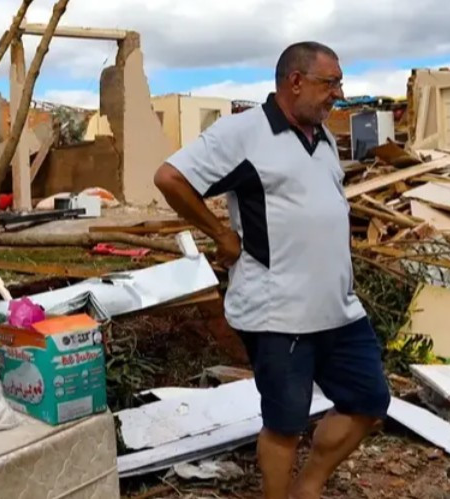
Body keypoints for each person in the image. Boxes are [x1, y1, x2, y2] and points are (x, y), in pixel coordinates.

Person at [152, 41, 390, 499]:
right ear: (295, 81)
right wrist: (220, 235)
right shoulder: (243, 133)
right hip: (278, 313)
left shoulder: (321, 138)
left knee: (369, 400)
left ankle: (309, 486)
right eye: (330, 82)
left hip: (339, 308)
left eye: (340, 82)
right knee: (285, 423)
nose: (337, 94)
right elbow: (170, 177)